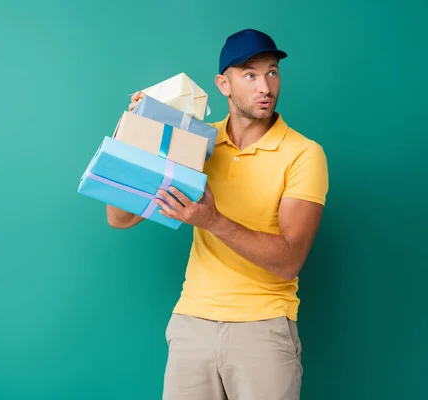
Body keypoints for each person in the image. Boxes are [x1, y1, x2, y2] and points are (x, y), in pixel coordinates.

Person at [107, 28, 329, 400]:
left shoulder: (304, 154)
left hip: (264, 329)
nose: (265, 87)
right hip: (192, 324)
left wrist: (213, 221)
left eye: (272, 72)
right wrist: (137, 133)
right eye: (250, 74)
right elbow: (120, 217)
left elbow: (290, 260)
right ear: (223, 84)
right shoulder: (194, 143)